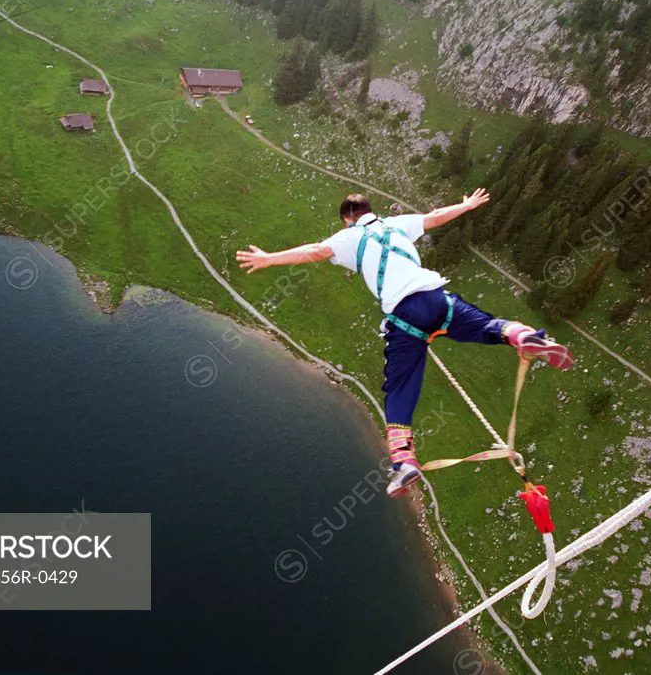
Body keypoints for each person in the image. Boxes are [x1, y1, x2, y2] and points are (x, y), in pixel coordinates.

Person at [236, 190, 573, 498]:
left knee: (400, 388)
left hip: (404, 317)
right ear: (372, 211)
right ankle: (526, 337)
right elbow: (436, 216)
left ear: (346, 218)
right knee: (487, 325)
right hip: (437, 298)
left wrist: (269, 259)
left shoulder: (347, 236)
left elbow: (315, 251)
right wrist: (467, 205)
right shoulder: (398, 224)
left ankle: (405, 464)